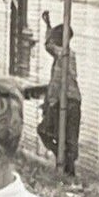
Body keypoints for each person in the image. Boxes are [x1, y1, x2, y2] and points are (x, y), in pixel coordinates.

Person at [34, 12, 81, 178]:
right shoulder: (67, 55)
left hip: (66, 101)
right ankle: (65, 163)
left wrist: (50, 103)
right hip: (72, 101)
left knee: (46, 131)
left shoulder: (64, 55)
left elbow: (48, 45)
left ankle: (64, 162)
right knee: (66, 138)